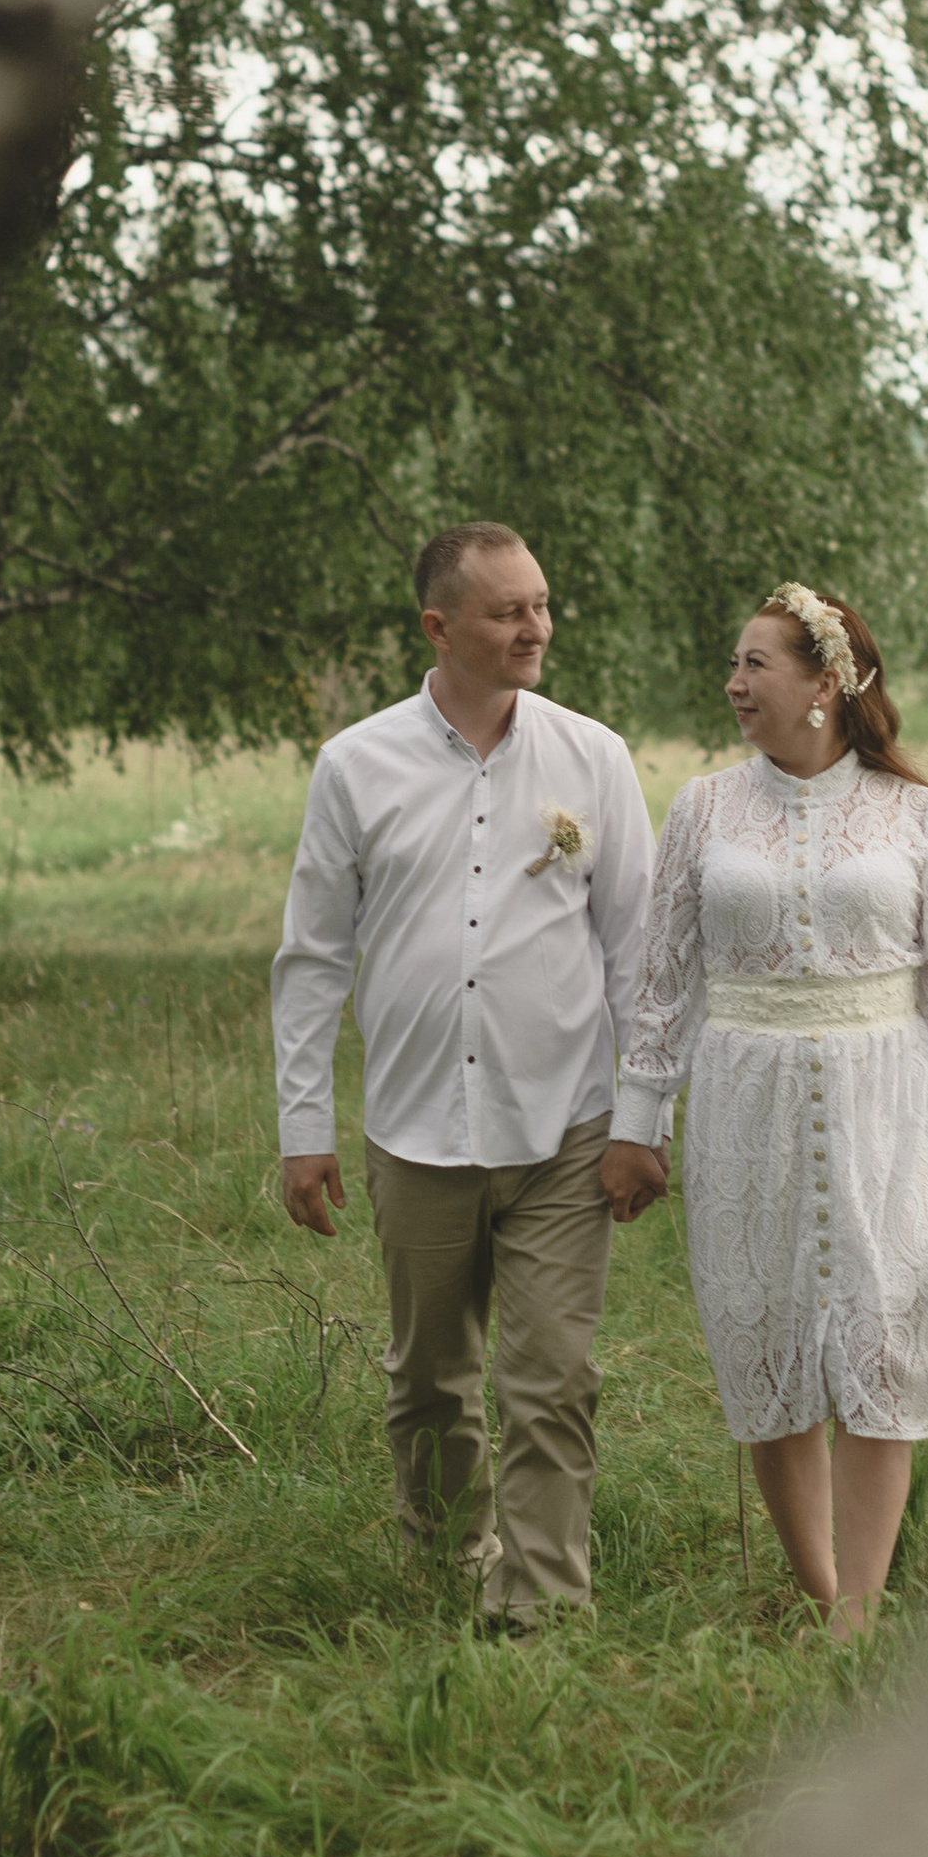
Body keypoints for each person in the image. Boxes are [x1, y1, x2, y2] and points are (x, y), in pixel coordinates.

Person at [602, 582, 928, 1641]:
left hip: (886, 1099)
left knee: (883, 1334)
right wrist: (636, 1120)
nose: (733, 682)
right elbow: (662, 982)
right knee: (769, 1337)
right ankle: (813, 1587)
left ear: (826, 683)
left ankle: (860, 1607)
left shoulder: (914, 814)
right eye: (735, 663)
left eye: (755, 663)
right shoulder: (703, 808)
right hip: (743, 1098)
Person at [272, 524, 659, 1631]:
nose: (534, 626)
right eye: (506, 611)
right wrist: (306, 1127)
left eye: (540, 604)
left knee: (551, 1378)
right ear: (438, 627)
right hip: (415, 1127)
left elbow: (637, 950)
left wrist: (642, 1114)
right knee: (431, 1380)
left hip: (566, 1128)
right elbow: (312, 957)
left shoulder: (595, 756)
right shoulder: (356, 764)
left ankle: (537, 1606)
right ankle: (443, 1563)